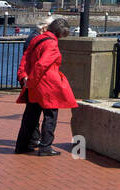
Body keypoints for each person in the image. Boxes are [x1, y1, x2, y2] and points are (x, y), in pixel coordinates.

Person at [14, 18, 77, 156]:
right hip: (47, 85)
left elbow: (25, 58)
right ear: (60, 33)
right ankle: (45, 147)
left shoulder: (37, 38)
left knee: (30, 117)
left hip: (34, 85)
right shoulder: (52, 44)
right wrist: (31, 80)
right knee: (50, 117)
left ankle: (22, 146)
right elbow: (42, 65)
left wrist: (24, 76)